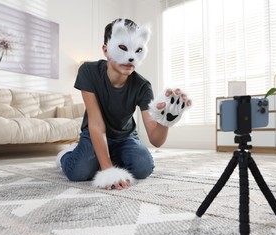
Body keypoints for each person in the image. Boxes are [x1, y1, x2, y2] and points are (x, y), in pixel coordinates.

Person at [56, 18, 191, 190]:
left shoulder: (143, 86)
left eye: (137, 49)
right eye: (122, 48)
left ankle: (107, 156)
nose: (130, 58)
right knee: (79, 172)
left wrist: (165, 121)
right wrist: (108, 170)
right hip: (93, 133)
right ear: (106, 50)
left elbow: (155, 140)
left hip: (125, 137)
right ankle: (66, 155)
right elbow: (96, 124)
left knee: (143, 166)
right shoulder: (88, 72)